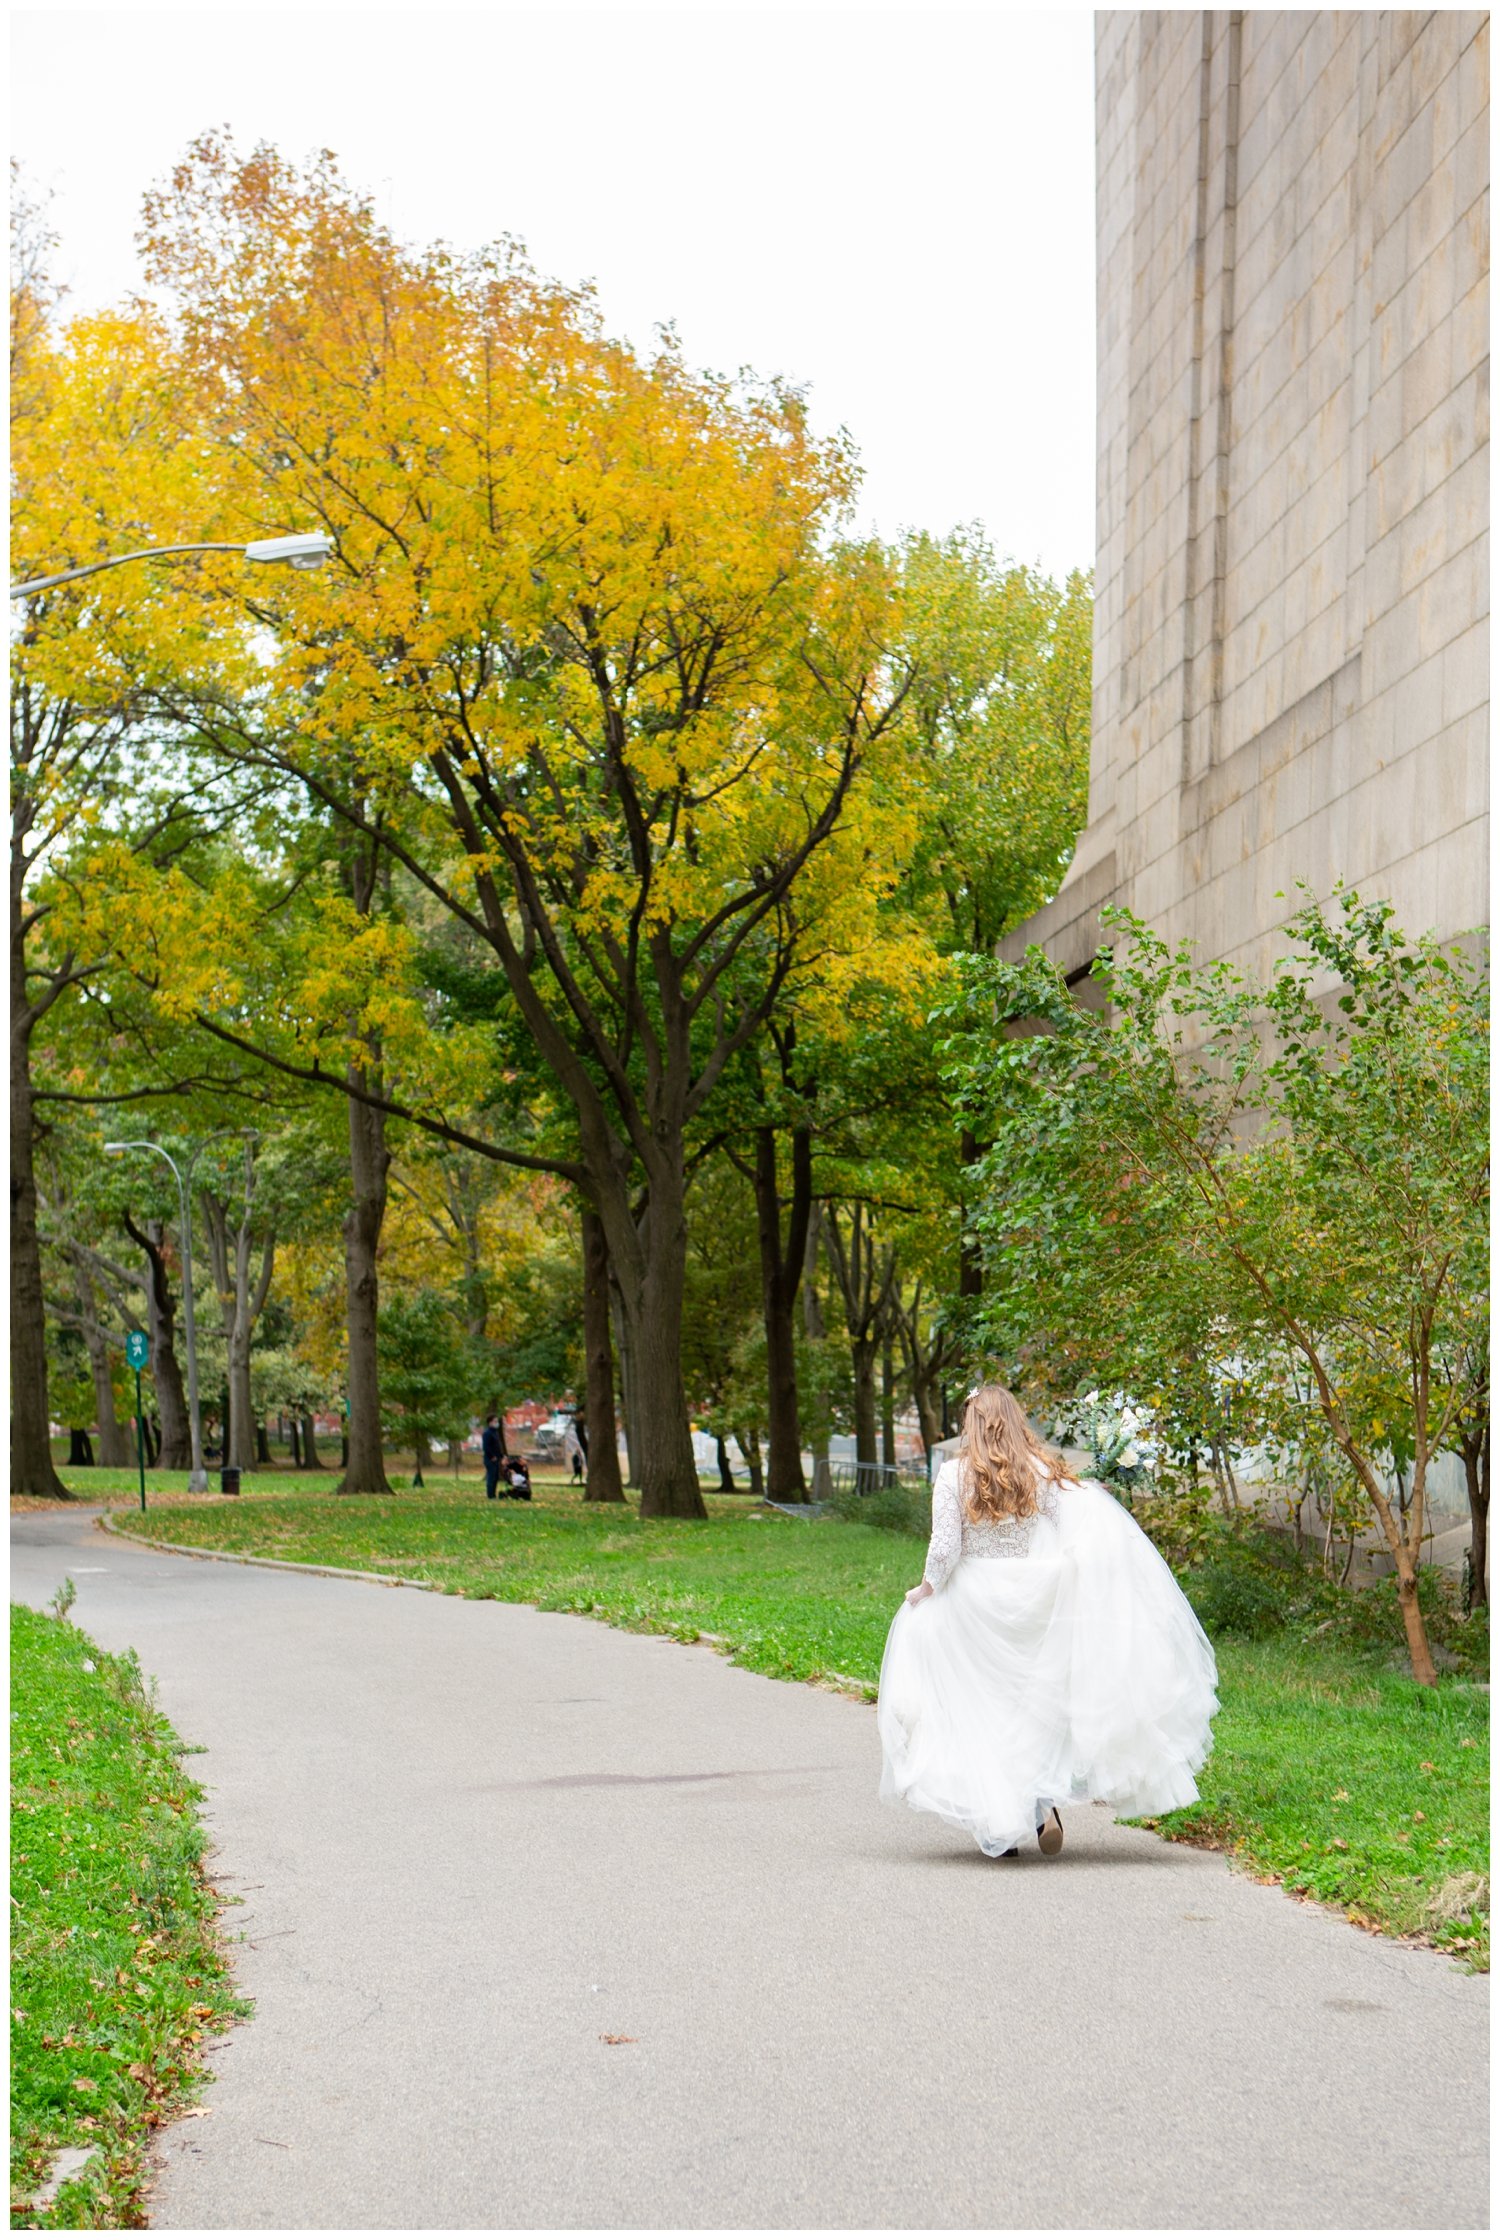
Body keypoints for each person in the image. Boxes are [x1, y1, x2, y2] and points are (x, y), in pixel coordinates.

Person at [878, 1383, 1218, 1861]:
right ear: (1014, 1422)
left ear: (972, 1426)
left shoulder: (954, 1475)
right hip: (1035, 1597)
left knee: (983, 1708)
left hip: (976, 1603)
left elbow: (945, 1547)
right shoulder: (1040, 1472)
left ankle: (999, 1825)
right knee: (1030, 1708)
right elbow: (1070, 1530)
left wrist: (926, 1589)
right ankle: (1040, 1807)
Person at [481, 1414, 505, 1501]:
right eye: (495, 1421)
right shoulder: (487, 1433)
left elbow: (497, 1446)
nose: (496, 1423)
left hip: (497, 1459)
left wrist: (501, 1456)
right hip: (490, 1459)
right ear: (490, 1422)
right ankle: (490, 1495)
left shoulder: (495, 1433)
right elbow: (486, 1447)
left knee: (495, 1477)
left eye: (497, 1421)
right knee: (491, 1477)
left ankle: (493, 1494)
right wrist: (492, 1456)